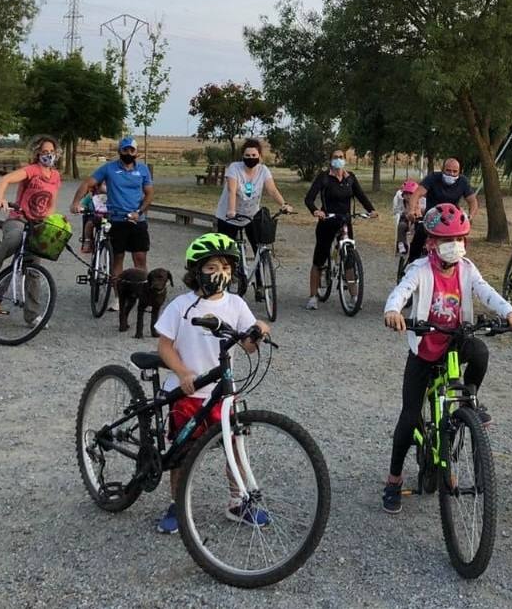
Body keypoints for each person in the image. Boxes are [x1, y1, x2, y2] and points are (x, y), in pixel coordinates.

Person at [381, 204, 512, 513]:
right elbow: (401, 292)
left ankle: (470, 400)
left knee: (480, 351)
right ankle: (393, 479)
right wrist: (392, 311)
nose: (454, 246)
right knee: (408, 417)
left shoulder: (467, 268)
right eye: (447, 240)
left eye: (460, 239)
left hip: (454, 344)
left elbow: (486, 292)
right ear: (431, 242)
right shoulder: (419, 269)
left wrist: (508, 312)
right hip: (424, 348)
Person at [153, 233, 271, 534]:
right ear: (196, 271)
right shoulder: (182, 305)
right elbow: (164, 346)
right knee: (183, 453)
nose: (221, 274)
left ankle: (237, 501)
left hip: (222, 395)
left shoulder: (235, 304)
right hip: (187, 393)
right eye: (212, 267)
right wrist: (182, 373)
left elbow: (247, 344)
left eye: (227, 268)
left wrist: (258, 331)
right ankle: (177, 503)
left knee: (235, 446)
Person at [0, 135, 62, 326]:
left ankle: (32, 315)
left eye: (52, 152)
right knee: (14, 238)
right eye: (45, 151)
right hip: (18, 218)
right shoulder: (31, 170)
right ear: (38, 153)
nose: (48, 155)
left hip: (37, 224)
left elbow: (51, 204)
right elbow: (5, 179)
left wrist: (52, 222)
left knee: (34, 270)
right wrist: (0, 199)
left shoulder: (55, 176)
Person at [71, 137, 154, 312]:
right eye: (125, 150)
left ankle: (144, 296)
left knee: (140, 259)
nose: (128, 154)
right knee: (117, 259)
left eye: (132, 150)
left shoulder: (143, 170)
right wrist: (76, 202)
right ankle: (118, 298)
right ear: (119, 151)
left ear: (136, 152)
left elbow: (149, 195)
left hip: (137, 220)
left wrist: (139, 212)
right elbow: (88, 182)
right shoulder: (109, 168)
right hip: (116, 219)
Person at [302, 148, 377, 311]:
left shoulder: (350, 178)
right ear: (330, 160)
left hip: (345, 220)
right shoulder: (324, 178)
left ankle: (354, 296)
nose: (339, 159)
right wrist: (316, 210)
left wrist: (371, 210)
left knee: (349, 259)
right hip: (327, 221)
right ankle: (313, 296)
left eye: (341, 157)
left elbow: (361, 195)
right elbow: (308, 199)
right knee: (319, 258)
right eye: (335, 157)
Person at [215, 138, 292, 290]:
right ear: (242, 156)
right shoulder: (234, 168)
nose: (251, 159)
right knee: (225, 252)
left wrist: (283, 204)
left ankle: (260, 284)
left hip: (251, 215)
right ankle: (225, 282)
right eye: (247, 156)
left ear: (260, 156)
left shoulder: (263, 170)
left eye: (254, 155)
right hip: (229, 216)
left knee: (260, 249)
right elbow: (232, 190)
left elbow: (272, 189)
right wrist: (231, 210)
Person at [406, 158, 478, 262]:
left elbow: (473, 201)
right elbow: (417, 194)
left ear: (459, 172)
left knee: (458, 245)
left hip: (451, 221)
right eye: (448, 170)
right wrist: (412, 211)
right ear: (442, 169)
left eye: (455, 171)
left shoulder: (463, 182)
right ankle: (410, 265)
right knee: (420, 234)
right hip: (431, 219)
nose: (451, 174)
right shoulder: (433, 178)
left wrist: (470, 216)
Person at [392, 179, 423, 256]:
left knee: (420, 228)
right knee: (401, 226)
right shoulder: (401, 202)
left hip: (417, 220)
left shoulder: (421, 202)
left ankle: (421, 245)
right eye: (406, 194)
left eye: (411, 194)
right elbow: (396, 211)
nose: (409, 197)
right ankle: (402, 244)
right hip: (405, 220)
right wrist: (404, 213)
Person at [78, 182, 107, 254]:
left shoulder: (112, 195)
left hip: (108, 217)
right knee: (89, 223)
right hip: (95, 216)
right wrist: (82, 208)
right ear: (97, 186)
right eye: (105, 185)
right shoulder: (91, 196)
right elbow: (83, 204)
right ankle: (87, 240)